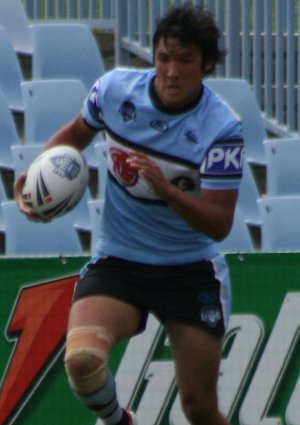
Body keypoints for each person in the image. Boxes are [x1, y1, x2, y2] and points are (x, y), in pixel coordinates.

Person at [14, 4, 244, 425]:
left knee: (199, 408)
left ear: (207, 64)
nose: (171, 71)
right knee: (82, 361)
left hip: (189, 270)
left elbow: (219, 223)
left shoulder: (222, 130)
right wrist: (38, 177)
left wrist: (166, 190)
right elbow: (77, 133)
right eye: (163, 58)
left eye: (185, 60)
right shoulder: (116, 91)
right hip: (119, 261)